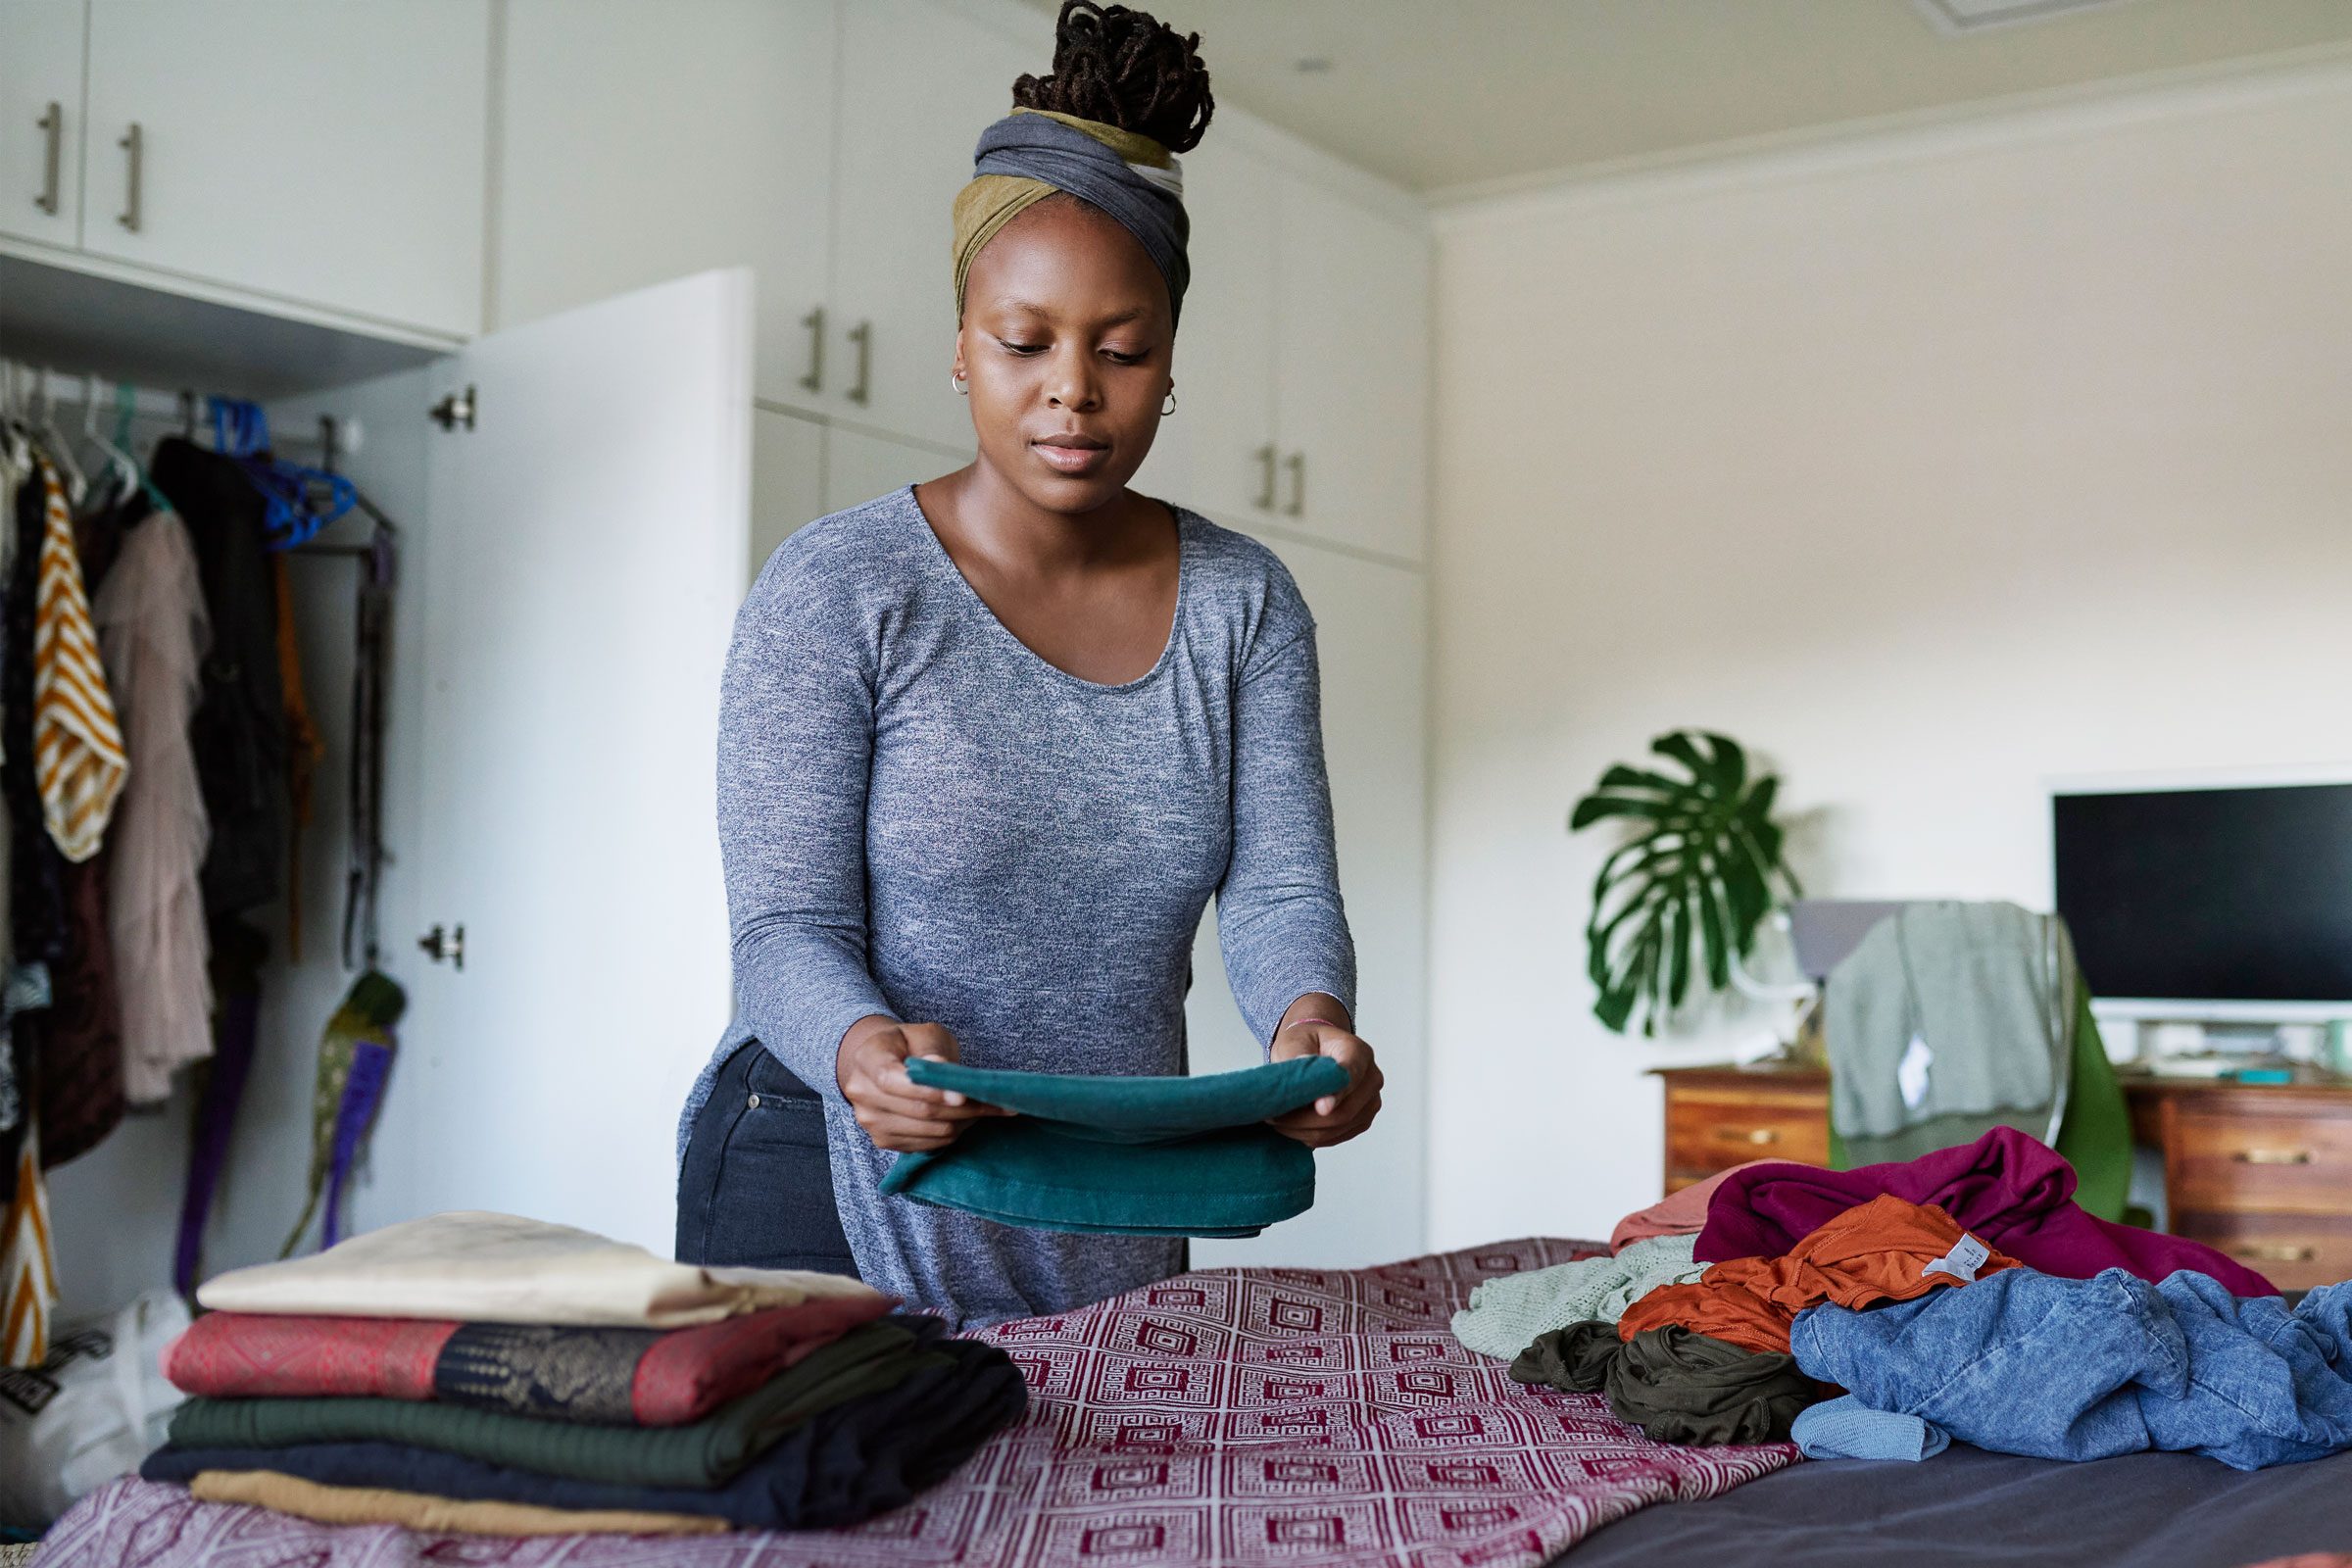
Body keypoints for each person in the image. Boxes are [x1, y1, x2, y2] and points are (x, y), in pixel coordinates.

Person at [673, 0, 1380, 1329]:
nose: (1075, 389)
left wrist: (1307, 1024)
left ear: (1169, 366)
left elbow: (1281, 886)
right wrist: (859, 1049)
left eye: (1123, 350)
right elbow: (784, 933)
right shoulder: (841, 588)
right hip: (834, 1149)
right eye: (1026, 342)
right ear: (958, 347)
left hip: (1105, 1173)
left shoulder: (1244, 605)